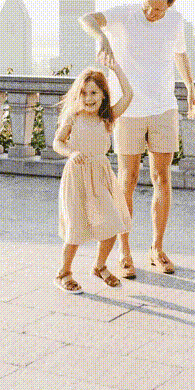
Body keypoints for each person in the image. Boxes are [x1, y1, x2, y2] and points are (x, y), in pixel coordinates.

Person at [80, 0, 195, 278]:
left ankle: (157, 248)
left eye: (158, 9)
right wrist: (102, 37)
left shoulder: (175, 21)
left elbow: (180, 54)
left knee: (162, 178)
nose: (151, 13)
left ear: (169, 5)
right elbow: (87, 19)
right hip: (129, 110)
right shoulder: (124, 13)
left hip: (164, 109)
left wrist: (190, 88)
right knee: (127, 180)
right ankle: (124, 250)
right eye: (148, 5)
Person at [53, 63, 133, 292]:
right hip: (77, 177)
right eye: (84, 93)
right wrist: (71, 153)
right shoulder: (73, 117)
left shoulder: (107, 117)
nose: (89, 98)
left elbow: (128, 94)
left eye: (94, 93)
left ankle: (99, 266)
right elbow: (57, 142)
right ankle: (64, 272)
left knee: (112, 224)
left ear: (103, 95)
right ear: (78, 95)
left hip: (101, 177)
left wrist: (116, 68)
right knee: (76, 227)